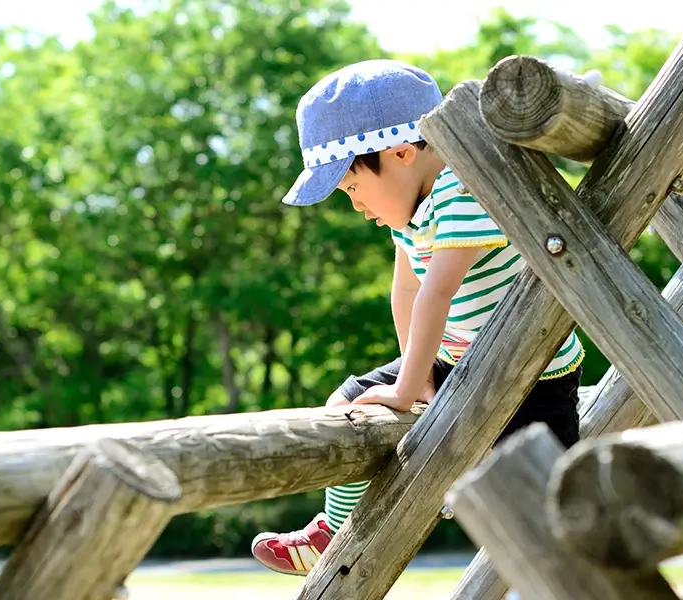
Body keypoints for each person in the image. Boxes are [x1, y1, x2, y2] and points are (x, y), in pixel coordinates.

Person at [250, 59, 584, 576]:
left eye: (352, 187)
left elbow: (437, 292)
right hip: (456, 361)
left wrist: (407, 389)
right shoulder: (410, 212)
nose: (356, 205)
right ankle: (334, 531)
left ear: (401, 154)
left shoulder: (461, 190)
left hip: (531, 375)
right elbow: (405, 288)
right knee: (347, 403)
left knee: (547, 510)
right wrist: (417, 369)